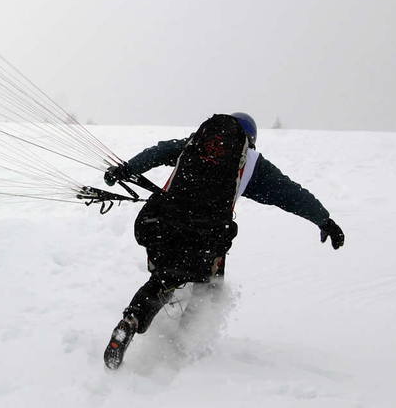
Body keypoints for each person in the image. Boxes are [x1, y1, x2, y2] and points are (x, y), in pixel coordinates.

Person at [102, 113, 344, 369]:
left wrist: (125, 170)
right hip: (205, 236)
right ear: (250, 139)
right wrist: (324, 220)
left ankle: (131, 321)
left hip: (162, 223)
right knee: (209, 287)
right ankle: (181, 348)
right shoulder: (250, 164)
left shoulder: (193, 144)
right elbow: (290, 193)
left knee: (164, 277)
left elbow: (158, 152)